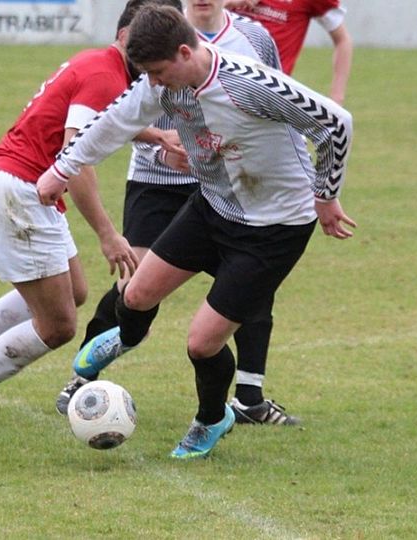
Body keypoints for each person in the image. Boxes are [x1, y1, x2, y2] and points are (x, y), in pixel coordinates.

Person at [37, 4, 356, 458]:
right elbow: (112, 123)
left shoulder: (248, 83)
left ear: (186, 52)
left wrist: (325, 195)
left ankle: (212, 418)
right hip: (212, 206)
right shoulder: (160, 84)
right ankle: (125, 336)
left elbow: (335, 124)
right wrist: (61, 169)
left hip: (274, 227)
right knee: (136, 295)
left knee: (202, 343)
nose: (153, 83)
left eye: (158, 72)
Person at [0, 0, 183, 430]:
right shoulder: (105, 74)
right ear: (124, 35)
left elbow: (104, 123)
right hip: (20, 191)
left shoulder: (104, 67)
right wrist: (107, 233)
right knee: (58, 325)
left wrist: (155, 136)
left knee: (74, 291)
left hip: (21, 187)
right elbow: (75, 152)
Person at [224, 0, 352, 104]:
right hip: (219, 88)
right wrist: (226, 3)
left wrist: (336, 99)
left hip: (269, 96)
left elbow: (342, 40)